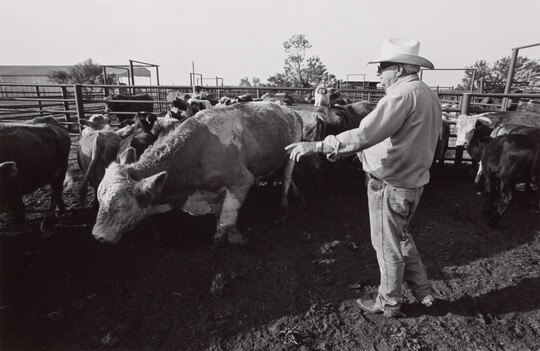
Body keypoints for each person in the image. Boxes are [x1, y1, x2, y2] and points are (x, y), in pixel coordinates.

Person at [285, 38, 442, 318]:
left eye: (383, 67)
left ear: (402, 68)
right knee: (401, 239)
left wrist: (319, 145)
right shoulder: (426, 92)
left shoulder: (400, 96)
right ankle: (424, 293)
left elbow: (365, 133)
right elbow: (401, 138)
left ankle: (389, 303)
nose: (379, 74)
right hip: (413, 182)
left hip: (390, 185)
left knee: (386, 246)